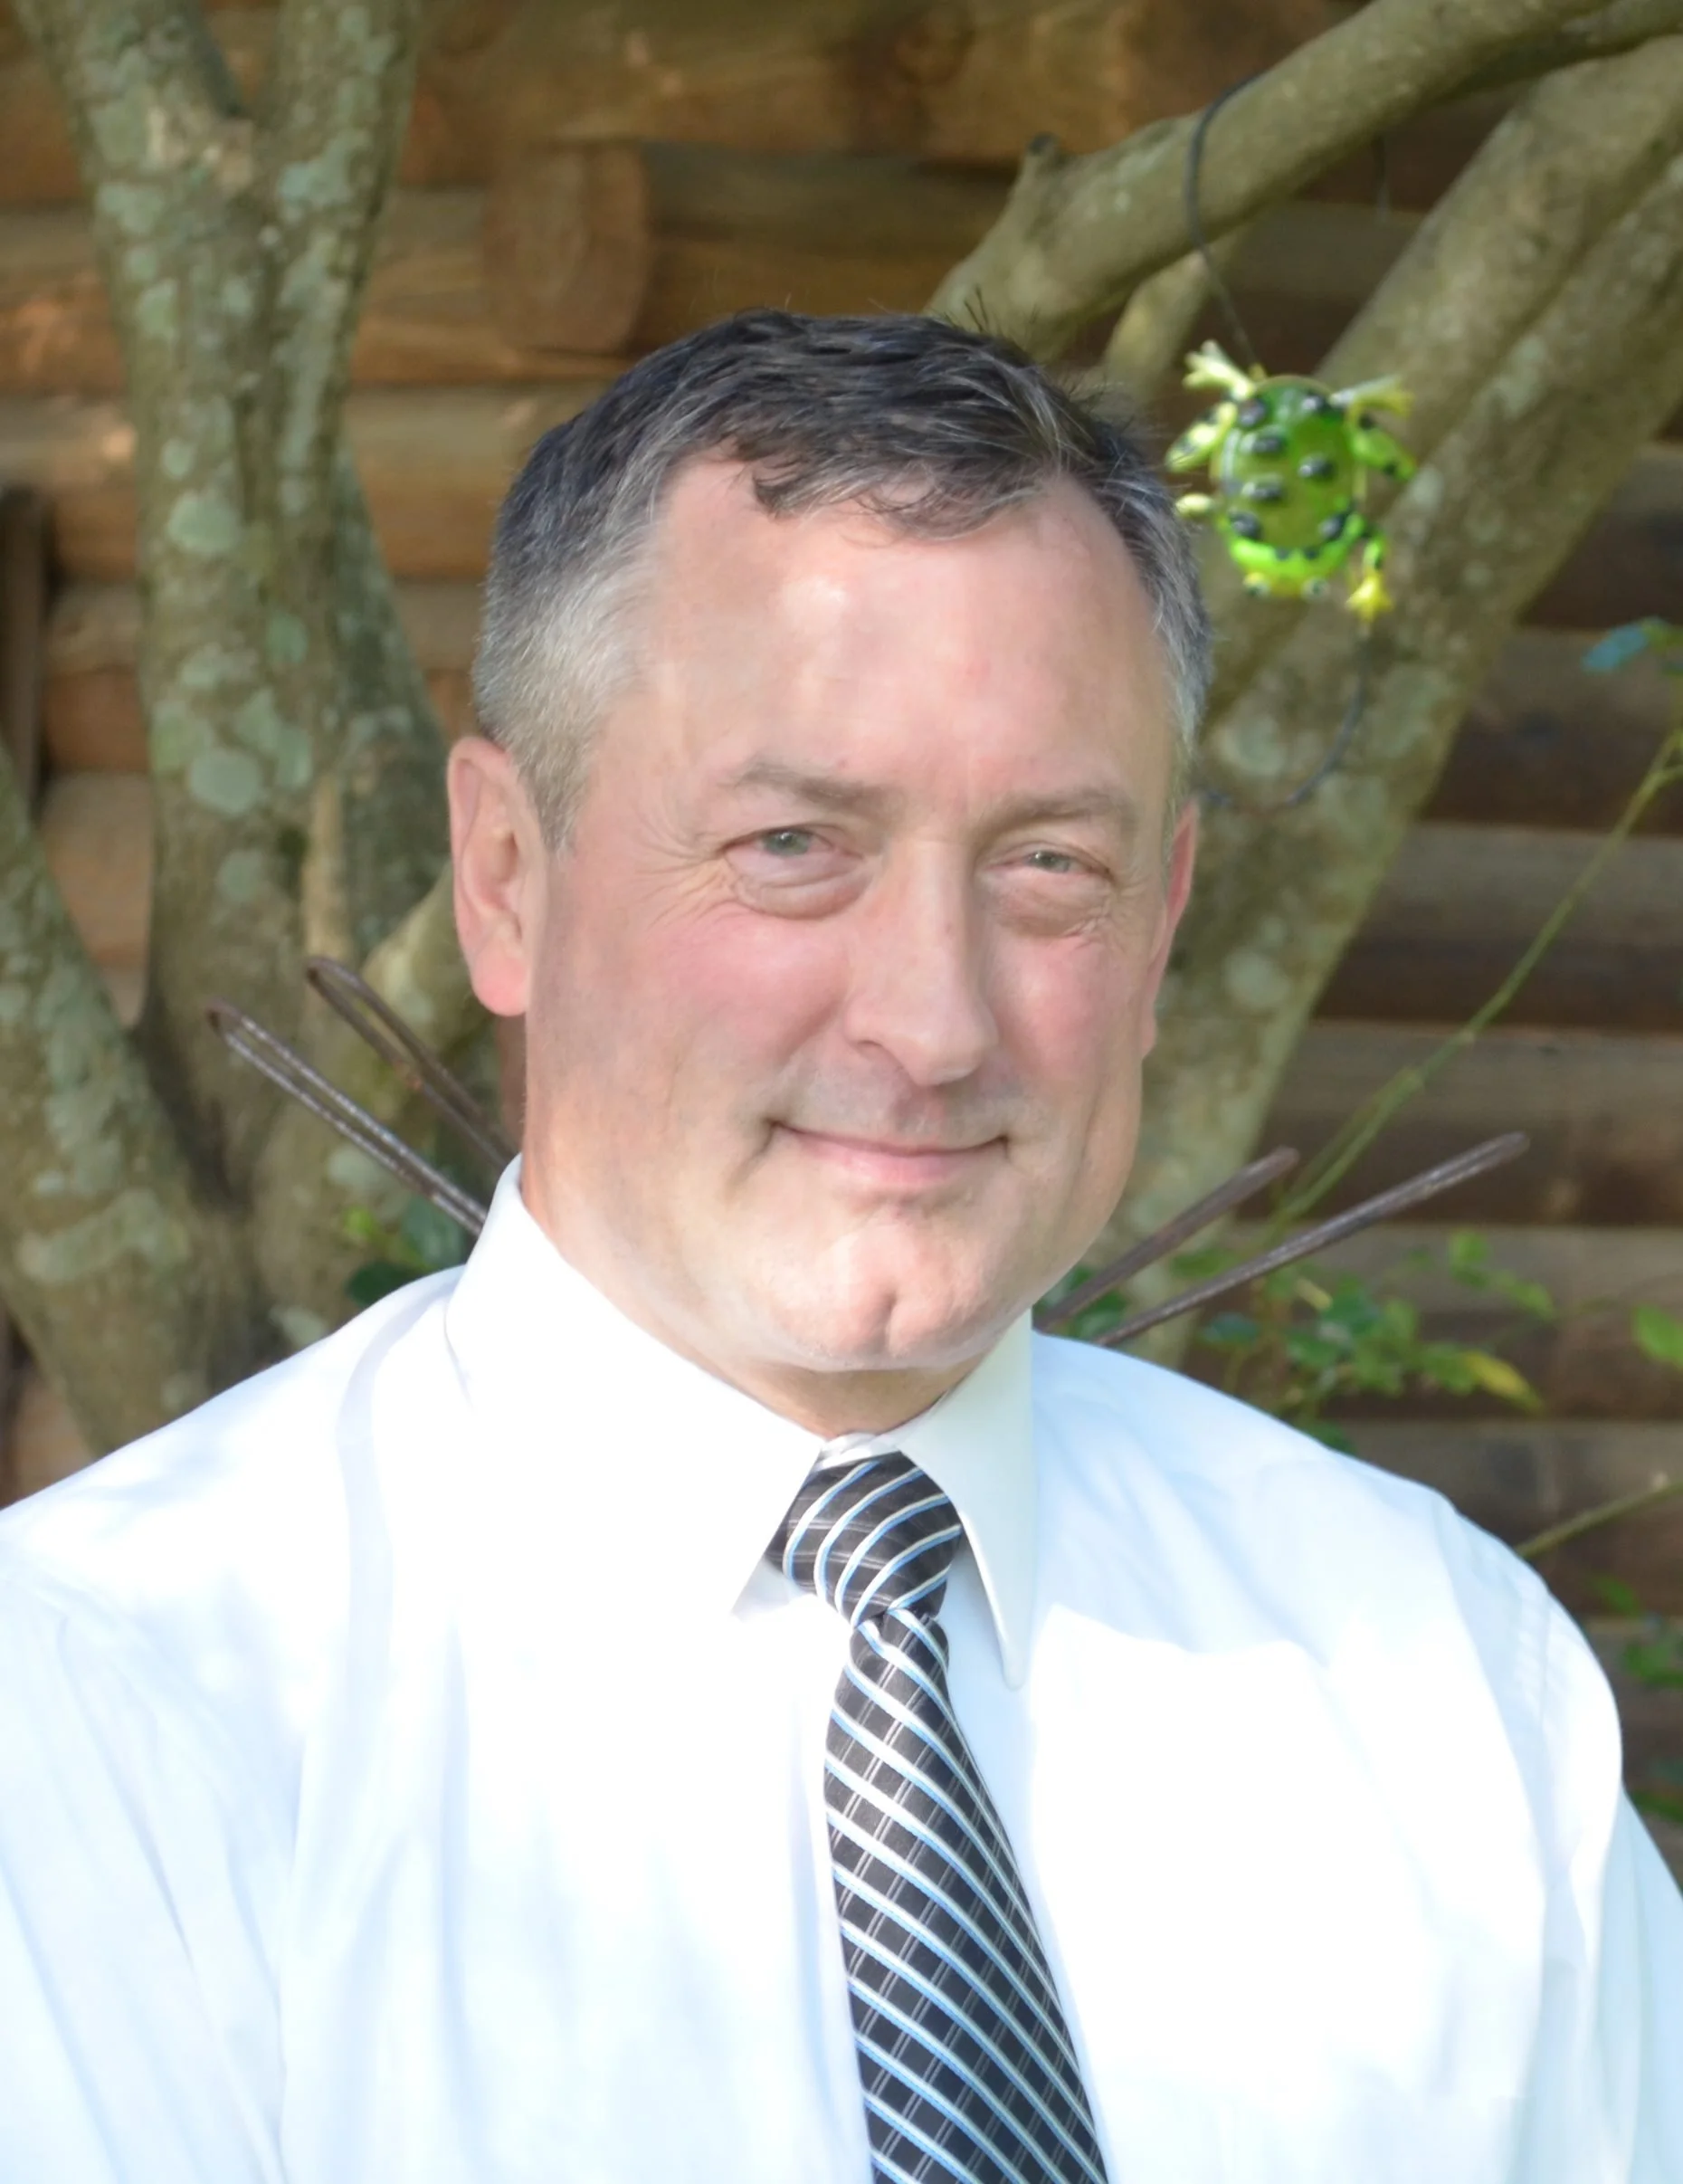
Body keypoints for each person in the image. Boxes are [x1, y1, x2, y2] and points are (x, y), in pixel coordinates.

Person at [0, 310, 1678, 2184]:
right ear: (505, 879)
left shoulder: (1447, 1690)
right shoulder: (110, 1712)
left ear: (1163, 921)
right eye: (795, 844)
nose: (932, 1023)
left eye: (1050, 863)